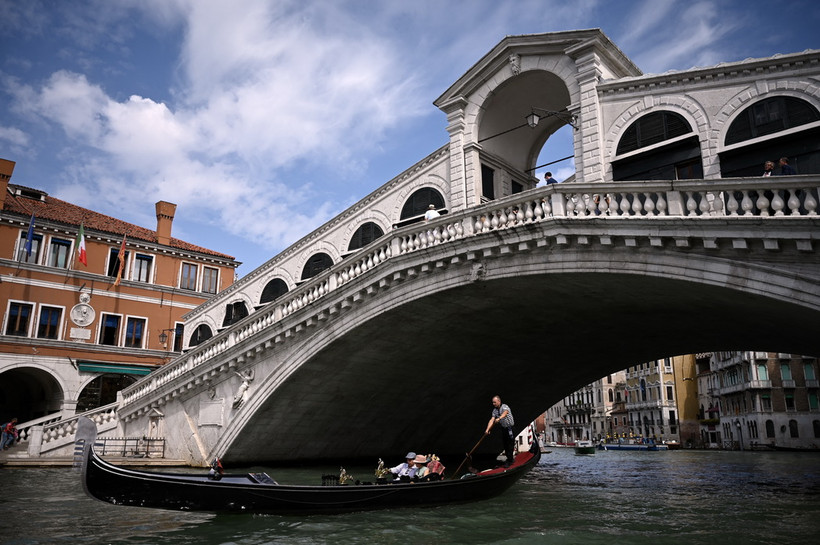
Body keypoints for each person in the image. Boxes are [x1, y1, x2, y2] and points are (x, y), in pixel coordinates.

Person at [485, 396, 515, 467]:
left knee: (510, 444)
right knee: (505, 444)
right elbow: (491, 420)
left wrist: (499, 418)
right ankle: (509, 459)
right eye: (493, 402)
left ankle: (510, 460)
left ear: (499, 401)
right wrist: (487, 430)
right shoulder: (494, 410)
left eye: (495, 402)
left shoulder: (504, 406)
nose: (493, 404)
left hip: (510, 428)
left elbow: (505, 413)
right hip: (504, 429)